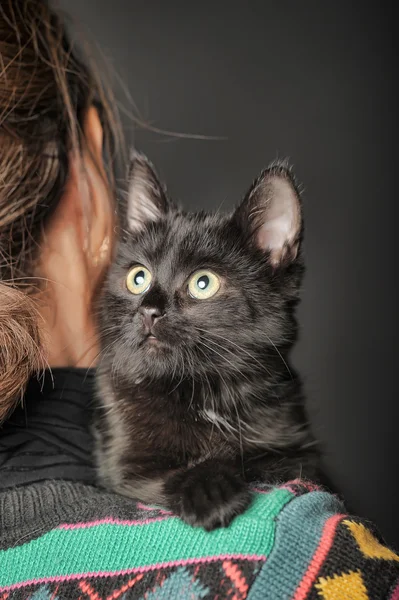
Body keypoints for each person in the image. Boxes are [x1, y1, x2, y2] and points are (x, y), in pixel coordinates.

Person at [0, 2, 398, 598]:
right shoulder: (296, 559)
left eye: (202, 283)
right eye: (139, 279)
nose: (151, 303)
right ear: (87, 184)